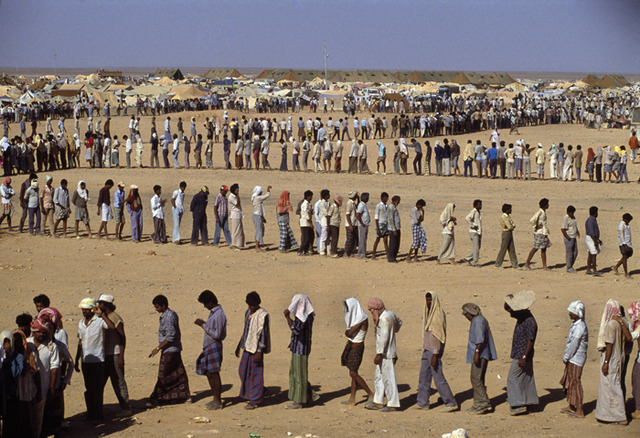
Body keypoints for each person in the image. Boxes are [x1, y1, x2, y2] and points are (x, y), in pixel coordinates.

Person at [416, 292, 458, 411]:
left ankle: (450, 402)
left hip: (434, 351)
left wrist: (435, 354)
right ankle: (422, 402)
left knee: (438, 377)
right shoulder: (428, 313)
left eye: (430, 300)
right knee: (423, 377)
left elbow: (439, 335)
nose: (429, 302)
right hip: (427, 349)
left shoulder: (438, 315)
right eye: (427, 300)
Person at [147, 295, 191, 407]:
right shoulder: (168, 315)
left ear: (163, 305)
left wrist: (157, 348)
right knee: (177, 371)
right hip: (172, 349)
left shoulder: (168, 317)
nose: (156, 309)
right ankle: (184, 395)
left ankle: (158, 397)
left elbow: (171, 336)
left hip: (170, 349)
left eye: (157, 307)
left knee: (164, 373)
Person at [595, 299, 631, 425]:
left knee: (612, 387)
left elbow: (609, 344)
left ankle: (620, 417)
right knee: (615, 384)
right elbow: (629, 338)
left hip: (611, 359)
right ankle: (610, 415)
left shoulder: (610, 324)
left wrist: (606, 362)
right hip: (620, 357)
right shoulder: (623, 322)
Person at [74, 298, 109, 423]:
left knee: (97, 390)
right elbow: (80, 342)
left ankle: (98, 416)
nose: (84, 311)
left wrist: (102, 314)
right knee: (89, 389)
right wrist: (77, 359)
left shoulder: (100, 321)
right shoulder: (81, 323)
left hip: (98, 361)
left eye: (87, 309)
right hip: (85, 361)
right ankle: (90, 413)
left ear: (92, 309)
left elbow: (111, 327)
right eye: (83, 309)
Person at [504, 290, 539, 415]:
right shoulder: (523, 317)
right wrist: (509, 300)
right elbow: (506, 308)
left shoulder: (529, 322)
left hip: (522, 355)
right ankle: (529, 402)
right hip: (522, 354)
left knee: (512, 378)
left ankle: (518, 404)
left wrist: (524, 357)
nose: (511, 312)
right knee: (526, 378)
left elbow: (530, 340)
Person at [96, 294, 131, 415]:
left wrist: (121, 356)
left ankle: (126, 408)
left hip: (115, 354)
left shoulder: (115, 318)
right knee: (100, 382)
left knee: (119, 381)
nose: (98, 305)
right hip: (105, 355)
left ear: (106, 304)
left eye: (100, 303)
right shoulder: (102, 317)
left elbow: (122, 338)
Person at [235, 291, 271, 410]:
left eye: (254, 305)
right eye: (250, 305)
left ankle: (255, 400)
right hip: (247, 346)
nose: (252, 307)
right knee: (242, 371)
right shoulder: (247, 313)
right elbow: (246, 330)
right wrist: (239, 345)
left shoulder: (262, 315)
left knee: (256, 374)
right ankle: (261, 390)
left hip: (256, 349)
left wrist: (260, 351)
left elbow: (263, 335)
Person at [365, 298, 401, 412]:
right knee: (379, 377)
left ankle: (393, 404)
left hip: (386, 354)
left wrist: (379, 354)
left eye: (372, 310)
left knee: (388, 378)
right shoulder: (390, 314)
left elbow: (384, 338)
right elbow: (399, 323)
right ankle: (378, 402)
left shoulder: (385, 319)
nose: (371, 312)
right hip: (386, 353)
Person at [461, 303, 497, 415]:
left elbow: (479, 340)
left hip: (480, 355)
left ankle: (483, 403)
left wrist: (476, 354)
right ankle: (478, 403)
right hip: (480, 354)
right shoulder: (478, 320)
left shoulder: (478, 321)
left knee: (476, 379)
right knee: (477, 378)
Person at [195, 290, 227, 410]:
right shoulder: (214, 313)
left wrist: (203, 324)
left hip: (214, 345)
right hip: (209, 346)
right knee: (209, 372)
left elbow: (217, 334)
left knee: (214, 373)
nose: (205, 306)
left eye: (205, 304)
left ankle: (217, 401)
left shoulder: (219, 315)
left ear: (210, 302)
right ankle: (215, 398)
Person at [27, 318, 60, 437]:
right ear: (34, 332)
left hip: (43, 387)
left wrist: (51, 387)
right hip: (26, 388)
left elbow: (54, 367)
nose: (42, 334)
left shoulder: (52, 347)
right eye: (39, 332)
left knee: (38, 417)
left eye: (44, 332)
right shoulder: (26, 343)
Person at [284, 294, 317, 409]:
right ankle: (309, 394)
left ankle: (298, 401)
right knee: (299, 372)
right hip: (301, 348)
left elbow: (295, 330)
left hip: (300, 350)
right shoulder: (309, 315)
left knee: (298, 375)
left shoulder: (302, 318)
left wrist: (287, 317)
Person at [342, 298, 373, 405]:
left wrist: (347, 332)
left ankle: (370, 393)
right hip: (351, 346)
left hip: (357, 348)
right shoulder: (355, 318)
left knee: (353, 373)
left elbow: (349, 333)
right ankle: (352, 398)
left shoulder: (361, 319)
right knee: (353, 372)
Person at [560, 300, 588, 419]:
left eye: (571, 312)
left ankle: (580, 409)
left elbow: (574, 344)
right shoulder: (576, 324)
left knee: (575, 382)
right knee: (570, 381)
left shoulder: (580, 327)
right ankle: (571, 406)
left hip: (576, 359)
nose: (569, 313)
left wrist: (566, 357)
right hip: (573, 358)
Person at [524, 198, 551, 271]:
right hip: (539, 233)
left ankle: (544, 266)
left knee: (543, 249)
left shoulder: (543, 212)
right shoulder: (540, 212)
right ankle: (527, 264)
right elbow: (532, 220)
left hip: (544, 233)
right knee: (535, 248)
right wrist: (536, 226)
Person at [495, 203, 518, 269]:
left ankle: (515, 264)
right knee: (503, 249)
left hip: (509, 232)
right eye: (510, 209)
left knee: (512, 249)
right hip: (506, 233)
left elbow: (513, 224)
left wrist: (512, 227)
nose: (511, 210)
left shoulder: (508, 216)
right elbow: (510, 226)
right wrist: (512, 227)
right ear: (506, 210)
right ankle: (498, 264)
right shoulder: (504, 216)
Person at [251, 185, 271, 252]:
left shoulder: (255, 198)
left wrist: (262, 218)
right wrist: (268, 190)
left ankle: (257, 245)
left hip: (258, 215)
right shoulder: (257, 198)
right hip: (257, 216)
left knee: (260, 230)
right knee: (259, 231)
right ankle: (257, 247)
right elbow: (266, 196)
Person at [561, 205, 580, 273]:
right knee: (569, 253)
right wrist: (567, 237)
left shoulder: (573, 217)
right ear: (568, 212)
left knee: (575, 252)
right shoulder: (566, 218)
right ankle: (569, 268)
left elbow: (574, 225)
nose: (573, 214)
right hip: (569, 238)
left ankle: (571, 265)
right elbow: (563, 229)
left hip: (574, 237)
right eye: (572, 213)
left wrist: (577, 232)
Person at [463, 200, 483, 266]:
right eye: (480, 205)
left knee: (477, 247)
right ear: (476, 205)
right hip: (474, 232)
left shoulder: (478, 212)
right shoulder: (473, 211)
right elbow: (467, 218)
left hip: (478, 232)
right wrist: (472, 225)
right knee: (476, 248)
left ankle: (467, 258)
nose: (481, 206)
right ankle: (475, 261)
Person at [613, 213, 633, 277]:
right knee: (624, 258)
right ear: (625, 219)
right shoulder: (621, 226)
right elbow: (621, 237)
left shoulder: (627, 225)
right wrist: (625, 245)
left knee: (628, 255)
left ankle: (616, 266)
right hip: (623, 244)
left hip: (628, 243)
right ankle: (626, 273)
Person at [371, 192, 389, 260]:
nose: (387, 199)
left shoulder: (386, 206)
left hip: (385, 224)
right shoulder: (378, 206)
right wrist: (378, 228)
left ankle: (387, 254)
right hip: (380, 224)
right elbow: (376, 217)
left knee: (385, 240)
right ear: (382, 198)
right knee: (377, 240)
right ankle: (373, 255)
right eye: (385, 197)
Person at [585, 206, 602, 275]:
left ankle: (588, 269)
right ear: (595, 213)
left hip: (592, 238)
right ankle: (594, 270)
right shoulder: (590, 220)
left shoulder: (592, 219)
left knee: (590, 254)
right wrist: (595, 241)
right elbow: (591, 232)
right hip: (591, 239)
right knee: (594, 254)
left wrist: (598, 240)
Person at [298, 190, 314, 256]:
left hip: (307, 223)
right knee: (305, 238)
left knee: (310, 237)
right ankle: (300, 251)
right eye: (311, 196)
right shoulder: (304, 204)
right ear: (308, 196)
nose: (312, 197)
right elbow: (306, 215)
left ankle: (306, 250)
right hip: (305, 223)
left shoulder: (308, 204)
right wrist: (311, 224)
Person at [229, 184, 245, 249]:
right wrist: (238, 195)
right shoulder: (231, 197)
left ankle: (239, 244)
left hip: (238, 214)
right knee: (235, 231)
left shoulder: (234, 196)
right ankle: (234, 244)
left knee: (239, 231)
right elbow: (237, 203)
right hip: (234, 215)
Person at [343, 191, 359, 258]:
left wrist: (358, 199)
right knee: (349, 239)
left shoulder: (353, 203)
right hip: (350, 224)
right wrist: (350, 225)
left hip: (354, 223)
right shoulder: (349, 203)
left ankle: (351, 252)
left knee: (354, 239)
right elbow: (347, 215)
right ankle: (346, 252)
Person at [355, 192, 371, 259]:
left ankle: (360, 253)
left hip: (365, 224)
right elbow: (357, 214)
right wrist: (362, 223)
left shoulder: (364, 205)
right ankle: (362, 254)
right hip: (363, 225)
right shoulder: (361, 205)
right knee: (363, 239)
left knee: (363, 239)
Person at [386, 195, 401, 263]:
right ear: (395, 201)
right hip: (393, 229)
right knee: (393, 243)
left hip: (397, 227)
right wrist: (394, 229)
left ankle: (394, 257)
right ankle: (391, 258)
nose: (399, 202)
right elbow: (391, 219)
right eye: (398, 201)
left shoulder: (394, 207)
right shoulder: (391, 207)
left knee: (397, 243)